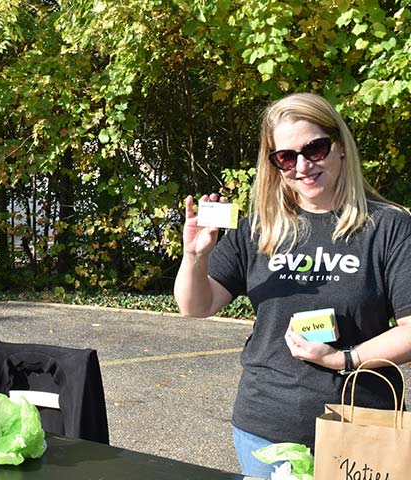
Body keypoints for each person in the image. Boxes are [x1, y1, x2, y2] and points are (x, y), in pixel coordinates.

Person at [174, 93, 411, 478]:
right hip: (265, 430)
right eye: (285, 157)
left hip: (360, 426)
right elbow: (195, 306)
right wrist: (195, 256)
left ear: (340, 147)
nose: (302, 166)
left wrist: (342, 359)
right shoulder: (257, 228)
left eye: (314, 148)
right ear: (273, 164)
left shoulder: (388, 228)